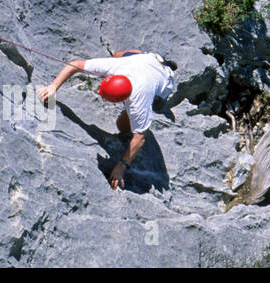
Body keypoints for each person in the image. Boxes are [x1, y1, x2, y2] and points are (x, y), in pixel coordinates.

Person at [36, 49, 176, 190]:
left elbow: (140, 139)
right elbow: (75, 64)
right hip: (148, 60)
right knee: (117, 55)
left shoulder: (138, 101)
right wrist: (53, 87)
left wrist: (121, 166)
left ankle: (157, 95)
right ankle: (147, 57)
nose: (97, 92)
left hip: (165, 79)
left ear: (123, 99)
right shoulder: (116, 66)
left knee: (123, 126)